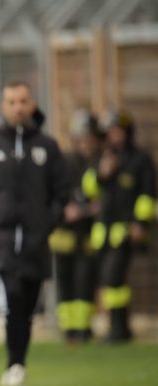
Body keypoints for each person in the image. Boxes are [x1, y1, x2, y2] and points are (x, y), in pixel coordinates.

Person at [0, 80, 68, 386]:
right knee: (12, 300)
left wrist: (47, 222)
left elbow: (62, 192)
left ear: (31, 104)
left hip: (36, 241)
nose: (18, 107)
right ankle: (14, 364)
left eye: (23, 101)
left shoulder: (47, 146)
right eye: (12, 102)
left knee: (28, 307)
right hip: (2, 243)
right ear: (3, 106)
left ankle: (20, 362)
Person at [83, 110, 156, 343]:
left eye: (118, 131)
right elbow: (89, 190)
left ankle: (119, 328)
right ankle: (117, 327)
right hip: (103, 231)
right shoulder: (103, 159)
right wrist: (102, 174)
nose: (114, 136)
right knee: (107, 279)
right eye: (110, 132)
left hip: (125, 230)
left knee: (113, 275)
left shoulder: (140, 160)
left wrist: (140, 223)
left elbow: (147, 195)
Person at [49, 110, 102, 344]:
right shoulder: (66, 162)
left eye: (90, 139)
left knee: (85, 281)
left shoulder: (100, 163)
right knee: (65, 282)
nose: (86, 143)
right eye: (83, 139)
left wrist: (86, 210)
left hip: (88, 234)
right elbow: (55, 193)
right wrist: (65, 209)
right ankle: (68, 329)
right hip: (64, 234)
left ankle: (83, 329)